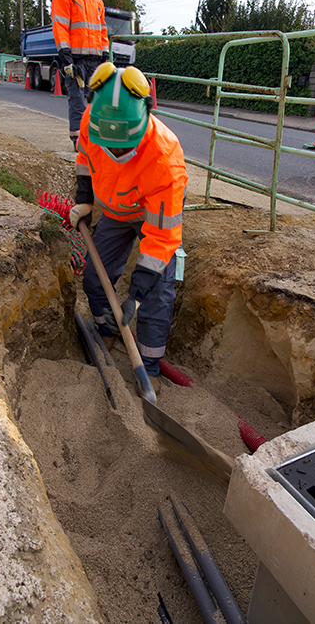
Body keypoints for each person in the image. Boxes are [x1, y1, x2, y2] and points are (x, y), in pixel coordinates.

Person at [69, 63, 188, 397]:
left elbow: (162, 236)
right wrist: (85, 198)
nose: (117, 153)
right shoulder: (92, 120)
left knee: (157, 291)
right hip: (115, 210)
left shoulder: (165, 157)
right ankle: (107, 330)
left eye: (124, 148)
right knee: (94, 277)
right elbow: (84, 158)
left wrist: (135, 295)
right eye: (112, 146)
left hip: (151, 211)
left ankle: (148, 365)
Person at [51, 0, 110, 150]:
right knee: (77, 100)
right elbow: (60, 26)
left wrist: (105, 57)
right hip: (75, 58)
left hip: (95, 59)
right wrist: (66, 57)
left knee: (97, 102)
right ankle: (78, 142)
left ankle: (95, 140)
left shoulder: (97, 1)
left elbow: (102, 31)